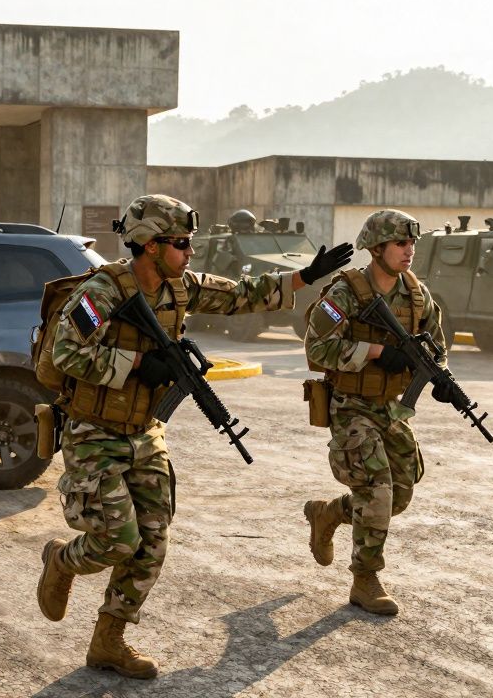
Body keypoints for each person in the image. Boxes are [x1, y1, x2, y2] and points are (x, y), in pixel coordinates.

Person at [35, 195, 353, 679]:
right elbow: (65, 356)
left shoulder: (178, 287)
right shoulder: (102, 293)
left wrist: (305, 276)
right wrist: (140, 363)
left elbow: (240, 295)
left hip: (145, 432)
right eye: (181, 244)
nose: (189, 253)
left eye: (189, 243)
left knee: (153, 540)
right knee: (117, 541)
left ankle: (109, 640)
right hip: (94, 432)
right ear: (149, 244)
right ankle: (60, 560)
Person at [301, 209, 447, 615]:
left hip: (393, 408)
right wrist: (377, 352)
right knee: (377, 490)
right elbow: (316, 349)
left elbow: (437, 347)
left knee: (398, 496)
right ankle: (365, 579)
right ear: (377, 248)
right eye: (401, 243)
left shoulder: (418, 295)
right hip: (351, 407)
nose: (409, 250)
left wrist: (438, 377)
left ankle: (328, 513)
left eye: (412, 243)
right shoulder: (346, 293)